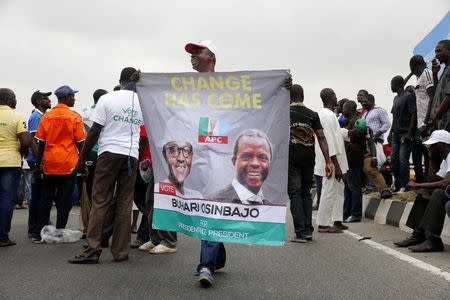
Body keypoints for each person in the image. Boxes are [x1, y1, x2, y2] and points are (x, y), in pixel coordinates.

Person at [184, 40, 292, 287]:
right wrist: (140, 82)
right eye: (191, 54)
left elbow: (257, 102)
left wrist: (281, 86)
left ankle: (206, 264)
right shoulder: (185, 88)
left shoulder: (229, 88)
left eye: (197, 52)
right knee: (206, 210)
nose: (192, 57)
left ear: (211, 56)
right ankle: (216, 255)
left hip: (219, 156)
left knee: (210, 209)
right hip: (197, 158)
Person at [69, 67, 143, 264]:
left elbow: (94, 132)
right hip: (131, 157)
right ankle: (121, 252)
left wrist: (81, 160)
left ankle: (92, 249)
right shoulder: (143, 103)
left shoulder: (108, 98)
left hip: (109, 153)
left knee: (100, 201)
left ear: (120, 80)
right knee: (125, 204)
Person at [31, 86, 86, 243]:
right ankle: (60, 232)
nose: (74, 99)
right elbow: (81, 143)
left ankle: (38, 233)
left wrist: (37, 165)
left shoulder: (46, 117)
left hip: (50, 164)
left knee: (46, 198)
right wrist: (83, 165)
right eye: (73, 96)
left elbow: (40, 144)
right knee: (65, 200)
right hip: (68, 164)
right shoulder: (74, 116)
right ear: (67, 97)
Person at [140, 139, 202, 254]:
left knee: (167, 199)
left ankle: (169, 241)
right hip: (158, 159)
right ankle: (155, 238)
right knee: (151, 200)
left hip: (167, 161)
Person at [288, 84, 332, 243]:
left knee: (295, 194)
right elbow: (321, 138)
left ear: (289, 97)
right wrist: (328, 161)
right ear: (303, 97)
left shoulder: (285, 113)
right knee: (306, 193)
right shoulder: (312, 115)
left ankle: (300, 233)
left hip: (291, 159)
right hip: (308, 158)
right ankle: (308, 231)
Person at [394, 130, 450, 252]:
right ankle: (419, 234)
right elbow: (433, 180)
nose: (430, 147)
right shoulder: (446, 159)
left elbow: (445, 183)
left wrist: (417, 185)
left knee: (438, 194)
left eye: (433, 145)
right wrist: (432, 158)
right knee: (425, 193)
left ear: (443, 144)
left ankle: (433, 239)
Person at [315, 88, 349, 233]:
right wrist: (335, 164)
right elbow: (328, 140)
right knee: (329, 189)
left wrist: (350, 133)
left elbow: (337, 134)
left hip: (337, 160)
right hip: (331, 161)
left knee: (339, 190)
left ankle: (337, 220)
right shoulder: (326, 116)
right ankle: (323, 224)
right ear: (331, 98)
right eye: (335, 95)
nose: (337, 98)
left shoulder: (329, 115)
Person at [208, 129, 273, 205]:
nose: (255, 163)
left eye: (262, 157)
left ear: (269, 163)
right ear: (234, 161)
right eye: (247, 156)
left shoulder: (274, 210)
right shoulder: (212, 203)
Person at [0, 88, 31, 247]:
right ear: (8, 99)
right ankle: (2, 237)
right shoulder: (16, 116)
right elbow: (26, 142)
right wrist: (23, 153)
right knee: (6, 198)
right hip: (10, 162)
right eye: (15, 98)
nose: (16, 101)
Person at [26, 90, 52, 237]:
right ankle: (34, 227)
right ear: (38, 102)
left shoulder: (42, 116)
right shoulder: (36, 117)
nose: (48, 100)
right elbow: (33, 141)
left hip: (39, 160)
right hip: (37, 160)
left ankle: (37, 225)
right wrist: (39, 162)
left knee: (40, 194)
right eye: (45, 98)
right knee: (38, 195)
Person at [405, 55, 434, 183]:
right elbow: (402, 84)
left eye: (412, 68)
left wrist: (426, 122)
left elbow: (432, 97)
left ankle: (430, 182)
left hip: (427, 122)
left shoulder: (427, 73)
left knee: (430, 155)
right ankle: (425, 182)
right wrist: (412, 72)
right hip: (421, 123)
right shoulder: (419, 77)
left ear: (415, 66)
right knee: (424, 154)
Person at [387, 75, 416, 192]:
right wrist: (390, 133)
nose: (390, 86)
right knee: (394, 159)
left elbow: (414, 114)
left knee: (403, 160)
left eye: (391, 84)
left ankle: (404, 185)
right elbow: (394, 117)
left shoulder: (408, 96)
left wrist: (409, 133)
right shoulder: (396, 99)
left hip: (405, 133)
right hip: (395, 135)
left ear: (397, 84)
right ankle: (397, 185)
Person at [361, 94, 392, 198]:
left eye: (365, 101)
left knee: (375, 164)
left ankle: (384, 188)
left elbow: (387, 124)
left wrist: (376, 134)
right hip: (366, 143)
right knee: (369, 166)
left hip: (376, 141)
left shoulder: (379, 110)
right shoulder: (364, 114)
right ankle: (372, 187)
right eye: (362, 102)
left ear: (372, 100)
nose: (363, 103)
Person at [429, 40, 450, 132]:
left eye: (439, 51)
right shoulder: (446, 69)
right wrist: (434, 75)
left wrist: (436, 116)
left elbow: (449, 96)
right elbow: (438, 94)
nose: (436, 55)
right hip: (442, 123)